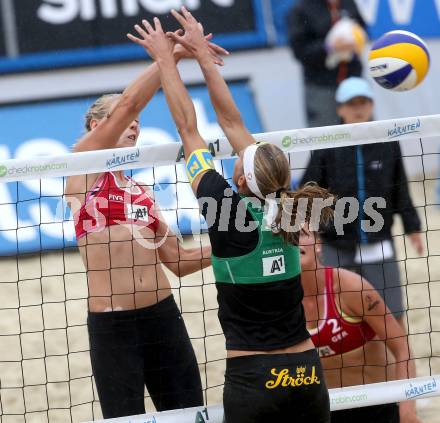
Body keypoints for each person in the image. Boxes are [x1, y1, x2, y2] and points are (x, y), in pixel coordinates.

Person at [128, 8, 334, 422]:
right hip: (307, 375)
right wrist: (203, 56)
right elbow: (233, 120)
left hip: (254, 378)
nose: (238, 155)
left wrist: (167, 61)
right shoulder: (289, 207)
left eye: (242, 159)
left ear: (241, 177)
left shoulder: (225, 212)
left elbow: (190, 128)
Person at [64, 33, 227, 418]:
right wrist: (171, 55)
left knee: (189, 413)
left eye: (138, 124)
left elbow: (179, 262)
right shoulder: (83, 168)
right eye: (124, 122)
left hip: (163, 317)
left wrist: (232, 244)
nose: (134, 126)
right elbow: (128, 102)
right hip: (113, 327)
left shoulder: (142, 193)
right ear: (94, 126)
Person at [300, 77, 424, 325]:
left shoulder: (387, 142)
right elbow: (309, 190)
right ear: (339, 108)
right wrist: (308, 229)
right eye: (351, 103)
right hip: (335, 242)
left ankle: (399, 362)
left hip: (377, 240)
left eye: (363, 102)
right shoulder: (327, 143)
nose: (358, 108)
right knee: (337, 314)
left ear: (371, 105)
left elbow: (401, 190)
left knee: (392, 314)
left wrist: (413, 228)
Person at [299, 226, 420, 423]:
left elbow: (402, 349)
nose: (294, 242)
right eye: (287, 237)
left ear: (318, 244)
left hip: (378, 405)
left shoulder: (351, 288)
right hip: (324, 410)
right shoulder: (281, 303)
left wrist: (407, 412)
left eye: (301, 235)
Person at [287, 0, 366, 127]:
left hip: (354, 83)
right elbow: (300, 52)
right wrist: (328, 47)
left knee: (365, 133)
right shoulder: (301, 9)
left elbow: (362, 29)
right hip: (321, 86)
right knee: (324, 137)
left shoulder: (348, 4)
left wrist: (356, 42)